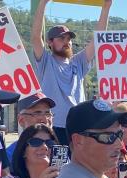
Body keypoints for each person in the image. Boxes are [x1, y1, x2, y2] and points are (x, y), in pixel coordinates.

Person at [31, 0, 112, 145]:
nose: (67, 42)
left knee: (78, 165)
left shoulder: (78, 62)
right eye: (61, 38)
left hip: (78, 126)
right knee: (57, 166)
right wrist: (42, 4)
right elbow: (36, 38)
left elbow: (98, 40)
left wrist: (106, 8)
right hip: (54, 127)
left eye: (68, 39)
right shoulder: (45, 61)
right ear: (50, 42)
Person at [7, 92, 56, 166]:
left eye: (48, 113)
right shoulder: (9, 156)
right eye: (37, 113)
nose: (44, 119)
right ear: (21, 120)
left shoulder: (58, 152)